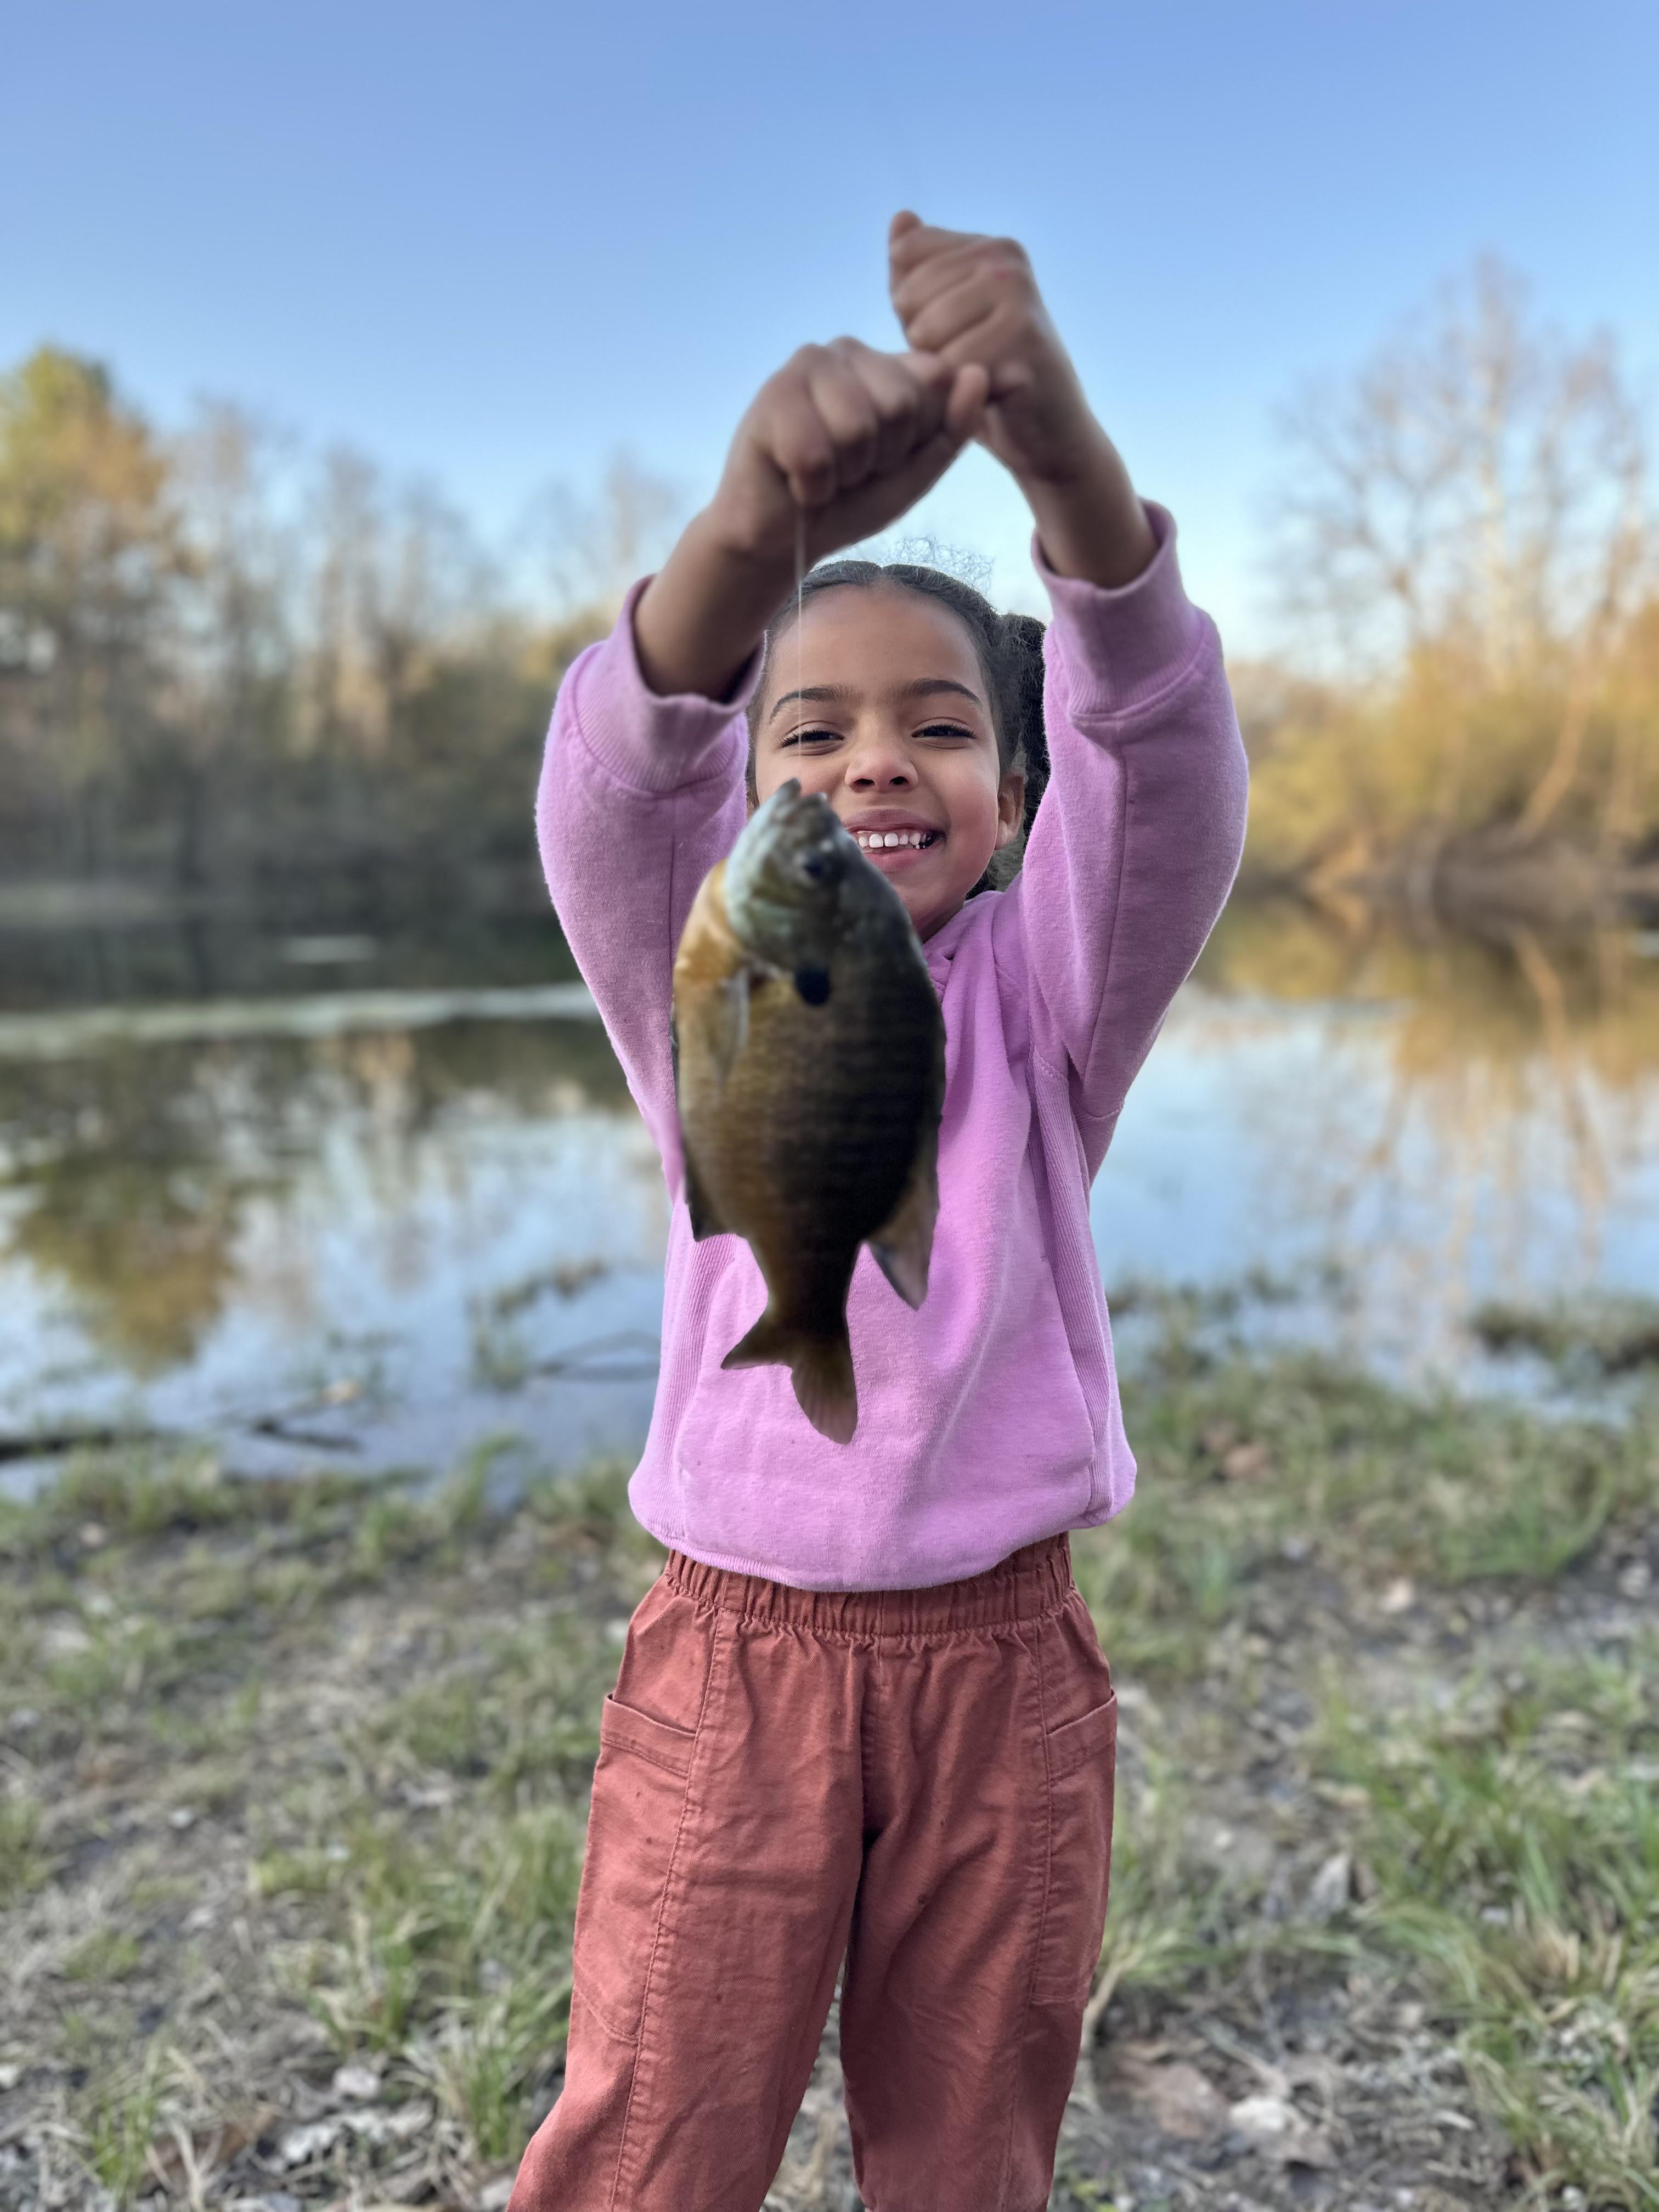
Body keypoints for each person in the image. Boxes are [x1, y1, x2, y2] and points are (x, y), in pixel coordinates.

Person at [509, 213, 1249, 2212]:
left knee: (971, 2144)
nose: (871, 767)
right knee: (655, 2127)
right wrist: (750, 529)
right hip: (729, 1658)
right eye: (812, 731)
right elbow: (616, 794)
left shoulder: (1049, 999)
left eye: (938, 725)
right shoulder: (713, 979)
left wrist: (1065, 460)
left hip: (1004, 1668)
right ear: (746, 787)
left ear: (1016, 791)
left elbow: (1162, 762)